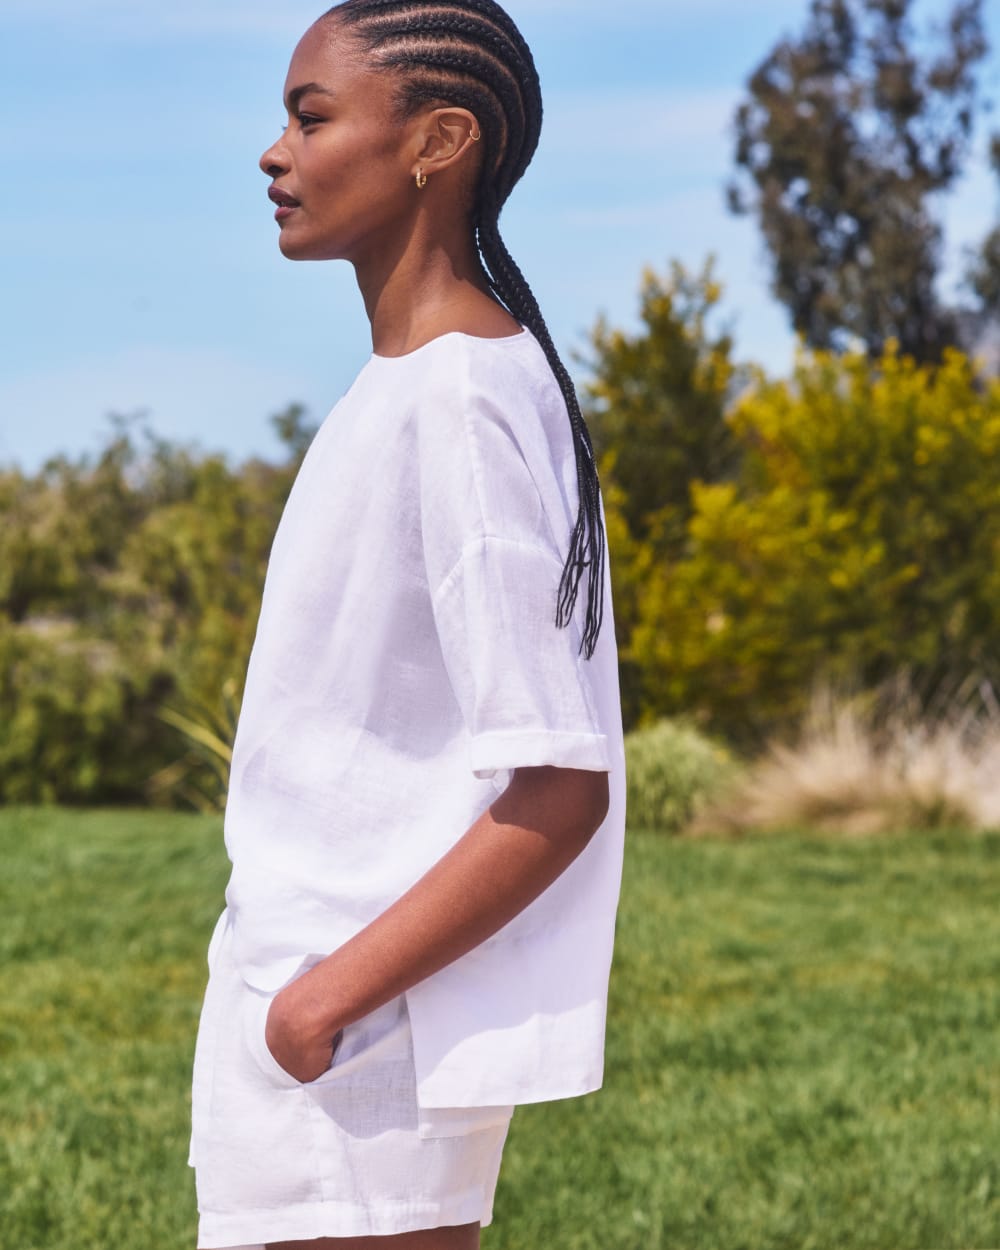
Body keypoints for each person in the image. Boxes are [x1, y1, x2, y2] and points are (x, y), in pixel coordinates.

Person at [188, 2, 626, 1247]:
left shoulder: (460, 397)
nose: (275, 152)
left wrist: (325, 999)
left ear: (437, 142)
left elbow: (558, 782)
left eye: (311, 117)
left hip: (358, 1044)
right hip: (312, 1014)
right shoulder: (410, 384)